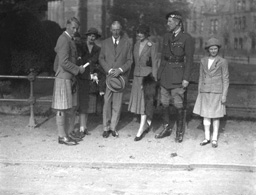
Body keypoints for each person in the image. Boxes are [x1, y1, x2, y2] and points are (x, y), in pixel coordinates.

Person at [156, 11, 195, 143]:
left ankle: (179, 132)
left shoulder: (187, 38)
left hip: (178, 75)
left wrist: (186, 78)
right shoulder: (166, 36)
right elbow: (162, 57)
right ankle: (166, 128)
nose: (167, 24)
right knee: (164, 102)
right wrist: (159, 74)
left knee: (178, 104)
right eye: (167, 21)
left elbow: (189, 60)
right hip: (166, 74)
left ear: (178, 22)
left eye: (170, 22)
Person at [52, 17, 87, 145]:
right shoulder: (63, 39)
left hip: (70, 78)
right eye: (73, 27)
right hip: (64, 77)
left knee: (71, 107)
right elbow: (64, 62)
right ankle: (62, 136)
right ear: (67, 25)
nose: (75, 30)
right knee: (61, 108)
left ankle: (69, 132)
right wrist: (78, 69)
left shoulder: (69, 40)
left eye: (77, 28)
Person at [193, 37, 229, 148]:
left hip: (216, 92)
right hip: (205, 91)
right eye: (211, 49)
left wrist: (224, 95)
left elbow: (226, 79)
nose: (213, 51)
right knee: (205, 115)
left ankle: (214, 139)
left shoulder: (222, 61)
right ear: (208, 50)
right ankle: (206, 137)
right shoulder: (203, 60)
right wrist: (199, 92)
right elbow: (201, 77)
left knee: (216, 116)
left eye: (215, 49)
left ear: (218, 49)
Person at [99, 21, 133, 138]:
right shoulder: (105, 43)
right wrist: (109, 70)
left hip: (120, 79)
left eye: (118, 30)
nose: (116, 32)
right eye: (114, 30)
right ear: (110, 30)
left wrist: (120, 70)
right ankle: (105, 127)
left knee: (117, 104)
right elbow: (101, 58)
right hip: (108, 77)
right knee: (107, 102)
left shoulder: (127, 43)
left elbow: (130, 61)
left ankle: (113, 127)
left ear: (121, 29)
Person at [128, 24, 158, 141]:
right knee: (140, 102)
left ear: (146, 34)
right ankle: (146, 121)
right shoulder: (135, 45)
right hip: (136, 76)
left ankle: (141, 129)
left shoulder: (152, 45)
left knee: (144, 102)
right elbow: (134, 62)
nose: (139, 35)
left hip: (147, 76)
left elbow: (155, 63)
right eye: (138, 33)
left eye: (142, 33)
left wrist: (154, 79)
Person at [76, 27, 103, 137]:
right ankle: (80, 128)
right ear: (87, 36)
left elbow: (98, 63)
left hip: (91, 79)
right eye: (90, 35)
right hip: (81, 77)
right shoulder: (80, 46)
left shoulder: (97, 49)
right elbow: (78, 61)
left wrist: (95, 73)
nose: (92, 37)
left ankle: (84, 127)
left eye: (94, 36)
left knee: (87, 103)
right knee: (81, 102)